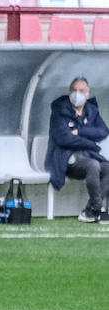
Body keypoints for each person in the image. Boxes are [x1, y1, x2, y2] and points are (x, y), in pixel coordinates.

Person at [44, 77, 109, 223]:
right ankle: (98, 208)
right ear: (69, 92)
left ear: (87, 93)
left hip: (88, 156)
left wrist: (79, 132)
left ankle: (90, 210)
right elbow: (63, 138)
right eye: (74, 90)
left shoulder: (91, 110)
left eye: (81, 91)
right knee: (93, 165)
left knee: (106, 167)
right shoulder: (59, 110)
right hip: (65, 160)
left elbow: (103, 131)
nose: (77, 94)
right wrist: (91, 144)